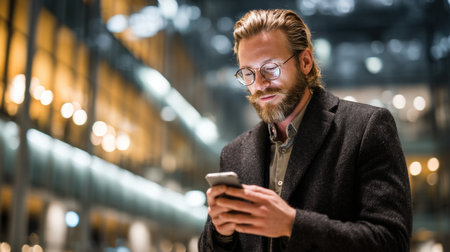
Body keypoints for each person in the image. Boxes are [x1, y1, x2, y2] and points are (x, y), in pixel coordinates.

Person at [198, 9, 412, 252]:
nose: (258, 84)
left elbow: (392, 241)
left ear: (306, 62)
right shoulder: (234, 154)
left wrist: (292, 224)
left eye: (271, 68)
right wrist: (222, 233)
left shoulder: (367, 127)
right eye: (248, 73)